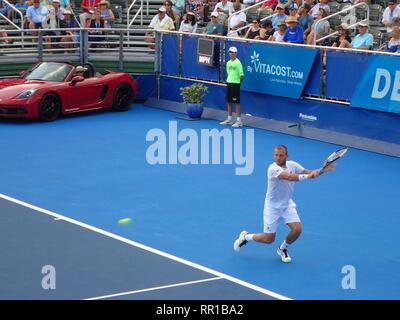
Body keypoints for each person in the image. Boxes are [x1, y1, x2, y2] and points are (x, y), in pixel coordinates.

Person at [233, 145, 335, 263]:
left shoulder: (293, 165)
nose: (278, 157)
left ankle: (282, 248)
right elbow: (289, 177)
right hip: (272, 207)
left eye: (281, 155)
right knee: (268, 239)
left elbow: (310, 173)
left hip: (287, 204)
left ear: (286, 155)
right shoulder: (272, 169)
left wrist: (322, 170)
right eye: (276, 155)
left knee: (297, 229)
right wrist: (308, 176)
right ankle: (245, 237)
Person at [220, 46, 244, 128]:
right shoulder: (228, 63)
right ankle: (229, 119)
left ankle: (239, 121)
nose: (231, 54)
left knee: (236, 103)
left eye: (232, 52)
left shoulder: (238, 63)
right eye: (230, 52)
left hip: (235, 84)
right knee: (229, 101)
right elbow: (228, 73)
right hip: (229, 83)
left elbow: (241, 75)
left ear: (236, 53)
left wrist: (238, 83)